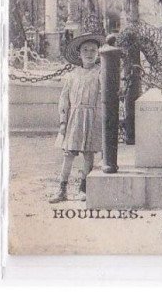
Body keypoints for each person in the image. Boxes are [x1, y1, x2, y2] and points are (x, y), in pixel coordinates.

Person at [48, 30, 105, 203]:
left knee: (88, 153)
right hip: (74, 117)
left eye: (93, 50)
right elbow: (64, 99)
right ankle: (62, 188)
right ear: (79, 53)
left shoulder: (99, 73)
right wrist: (63, 121)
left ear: (98, 54)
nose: (89, 54)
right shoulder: (72, 75)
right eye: (85, 50)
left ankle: (84, 188)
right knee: (69, 153)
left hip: (92, 116)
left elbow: (105, 94)